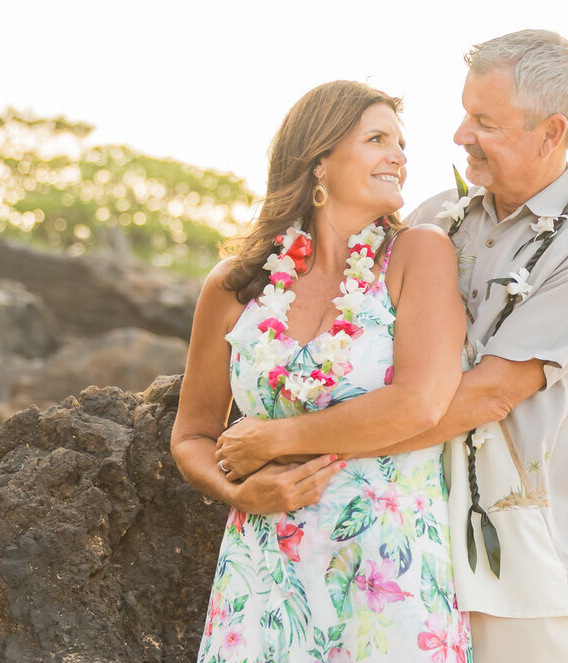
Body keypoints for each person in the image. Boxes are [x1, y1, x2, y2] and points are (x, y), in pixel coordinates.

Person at [222, 30, 568, 663]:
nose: (460, 134)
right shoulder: (438, 215)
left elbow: (482, 397)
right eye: (466, 112)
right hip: (404, 541)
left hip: (512, 561)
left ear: (550, 134)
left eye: (484, 121)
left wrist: (283, 440)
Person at [171, 80, 473, 663]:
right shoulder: (236, 285)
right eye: (378, 139)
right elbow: (191, 436)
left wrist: (276, 437)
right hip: (263, 573)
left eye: (402, 144)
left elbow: (419, 403)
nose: (400, 156)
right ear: (319, 162)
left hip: (388, 570)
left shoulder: (419, 254)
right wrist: (240, 490)